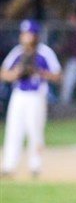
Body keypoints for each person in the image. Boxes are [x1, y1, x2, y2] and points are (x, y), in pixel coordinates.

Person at [1, 20, 61, 177]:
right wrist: (16, 73)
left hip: (36, 96)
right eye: (23, 33)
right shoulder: (17, 52)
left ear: (35, 35)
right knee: (13, 130)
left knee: (35, 131)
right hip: (18, 95)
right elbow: (4, 73)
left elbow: (57, 75)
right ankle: (9, 166)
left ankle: (35, 166)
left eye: (28, 33)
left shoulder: (44, 52)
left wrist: (40, 72)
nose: (25, 36)